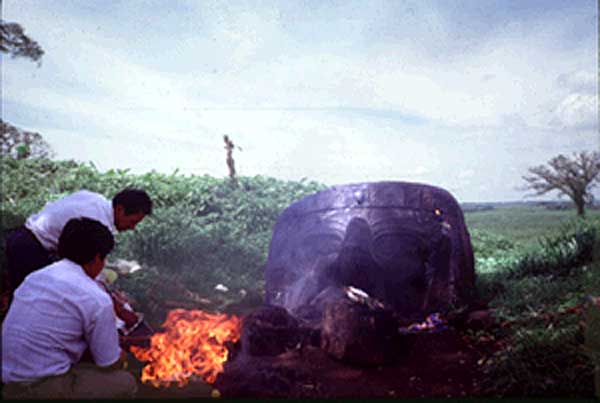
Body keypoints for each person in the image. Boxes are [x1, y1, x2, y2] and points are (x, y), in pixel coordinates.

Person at [2, 217, 138, 399]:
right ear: (98, 257)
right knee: (125, 382)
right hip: (36, 387)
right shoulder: (96, 298)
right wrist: (124, 357)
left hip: (8, 376)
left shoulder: (35, 277)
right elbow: (108, 363)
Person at [5, 188, 152, 296]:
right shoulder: (97, 223)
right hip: (29, 248)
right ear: (120, 210)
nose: (132, 227)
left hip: (22, 237)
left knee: (24, 296)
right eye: (133, 221)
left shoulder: (95, 199)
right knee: (32, 298)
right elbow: (86, 268)